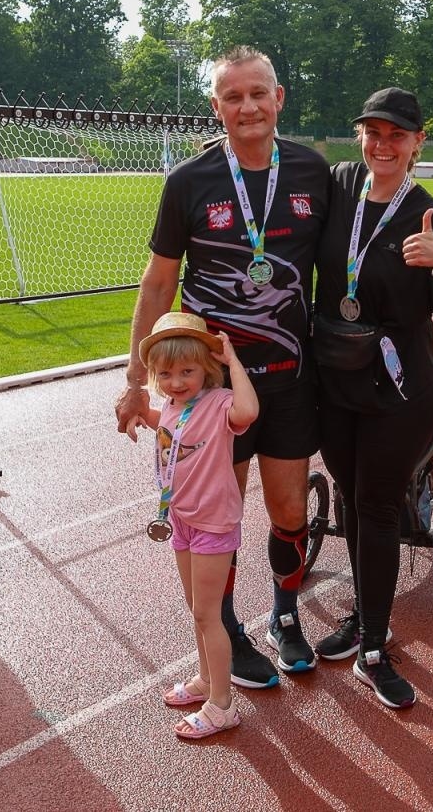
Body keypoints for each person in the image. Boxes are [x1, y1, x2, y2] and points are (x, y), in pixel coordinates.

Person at [116, 46, 330, 688]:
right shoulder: (188, 181)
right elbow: (158, 285)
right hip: (210, 392)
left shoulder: (312, 172)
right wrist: (134, 380)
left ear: (279, 97)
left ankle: (285, 615)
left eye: (257, 93)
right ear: (216, 106)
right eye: (232, 97)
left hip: (289, 378)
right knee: (218, 517)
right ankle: (229, 631)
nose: (247, 107)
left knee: (291, 510)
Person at [309, 87, 433, 709]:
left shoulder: (428, 215)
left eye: (396, 135)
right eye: (372, 132)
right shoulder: (341, 183)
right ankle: (365, 616)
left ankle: (374, 648)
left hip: (400, 388)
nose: (382, 144)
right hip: (335, 378)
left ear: (417, 143)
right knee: (353, 501)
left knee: (378, 505)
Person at [124, 312, 259, 739]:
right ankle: (205, 678)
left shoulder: (220, 405)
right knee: (196, 609)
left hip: (213, 523)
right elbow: (162, 425)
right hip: (179, 519)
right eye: (166, 374)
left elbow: (249, 410)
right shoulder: (170, 407)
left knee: (208, 612)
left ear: (207, 367)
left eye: (188, 371)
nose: (177, 381)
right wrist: (135, 415)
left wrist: (233, 360)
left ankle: (222, 704)